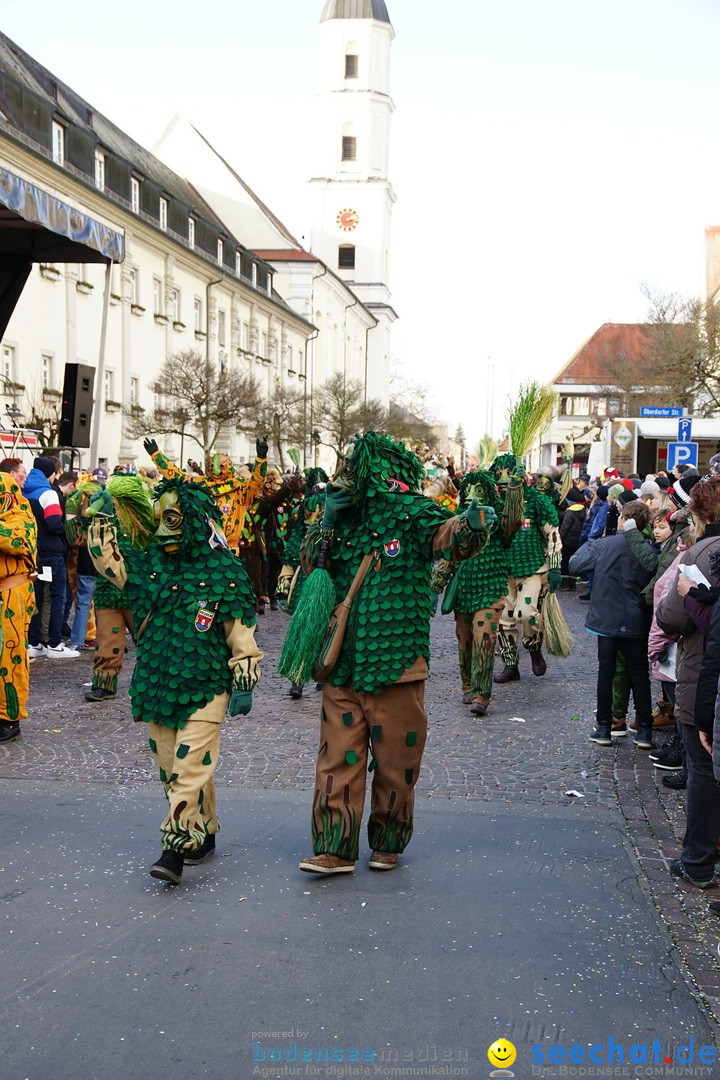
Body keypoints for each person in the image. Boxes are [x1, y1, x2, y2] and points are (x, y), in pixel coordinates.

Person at [285, 432, 495, 875]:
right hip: (342, 663)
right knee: (336, 758)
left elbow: (445, 537)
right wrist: (324, 523)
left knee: (397, 762)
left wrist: (471, 524)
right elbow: (308, 565)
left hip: (396, 664)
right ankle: (335, 847)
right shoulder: (339, 520)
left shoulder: (411, 511)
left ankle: (387, 840)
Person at [86, 475, 263, 884]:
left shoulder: (225, 571)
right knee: (173, 768)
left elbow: (241, 632)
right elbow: (108, 563)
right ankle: (205, 831)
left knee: (188, 766)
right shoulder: (148, 565)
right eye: (160, 519)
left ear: (195, 521)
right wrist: (99, 515)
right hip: (157, 685)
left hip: (205, 686)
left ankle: (175, 849)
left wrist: (244, 676)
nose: (164, 529)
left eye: (174, 519)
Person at [656, 475, 720, 888]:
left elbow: (673, 616)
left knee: (702, 768)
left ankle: (697, 859)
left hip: (702, 672)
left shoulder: (701, 550)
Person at [569, 501, 654, 748]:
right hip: (636, 617)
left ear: (621, 520)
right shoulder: (647, 550)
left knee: (606, 671)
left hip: (606, 618)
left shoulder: (604, 545)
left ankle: (605, 726)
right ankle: (645, 730)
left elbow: (575, 565)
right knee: (639, 673)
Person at [430, 468, 507, 716]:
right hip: (464, 592)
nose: (474, 495)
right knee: (464, 642)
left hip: (490, 591)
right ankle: (467, 684)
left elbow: (515, 519)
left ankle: (481, 694)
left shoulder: (499, 522)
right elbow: (447, 558)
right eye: (470, 490)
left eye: (480, 490)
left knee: (484, 639)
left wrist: (515, 486)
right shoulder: (459, 520)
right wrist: (435, 588)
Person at [490, 453, 561, 682]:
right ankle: (511, 665)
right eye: (499, 474)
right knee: (504, 619)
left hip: (531, 569)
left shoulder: (537, 501)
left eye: (508, 473)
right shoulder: (494, 504)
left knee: (526, 612)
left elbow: (552, 533)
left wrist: (555, 565)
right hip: (504, 571)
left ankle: (533, 647)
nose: (503, 479)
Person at [23, 456, 77, 659]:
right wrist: (65, 530)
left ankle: (34, 642)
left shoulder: (25, 490)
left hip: (35, 553)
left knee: (37, 597)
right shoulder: (48, 493)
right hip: (53, 554)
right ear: (52, 473)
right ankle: (55, 644)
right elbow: (54, 523)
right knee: (57, 596)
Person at [0, 470, 37, 742]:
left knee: (10, 657)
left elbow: (16, 541)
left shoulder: (22, 517)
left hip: (12, 593)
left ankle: (9, 717)